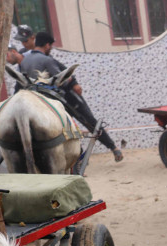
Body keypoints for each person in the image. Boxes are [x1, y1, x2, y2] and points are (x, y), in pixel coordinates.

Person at [21, 32, 124, 162]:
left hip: (43, 102)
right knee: (90, 121)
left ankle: (75, 160)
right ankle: (113, 148)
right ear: (47, 45)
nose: (51, 48)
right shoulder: (47, 60)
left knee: (64, 130)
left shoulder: (25, 61)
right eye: (51, 46)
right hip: (66, 98)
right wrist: (73, 83)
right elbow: (62, 80)